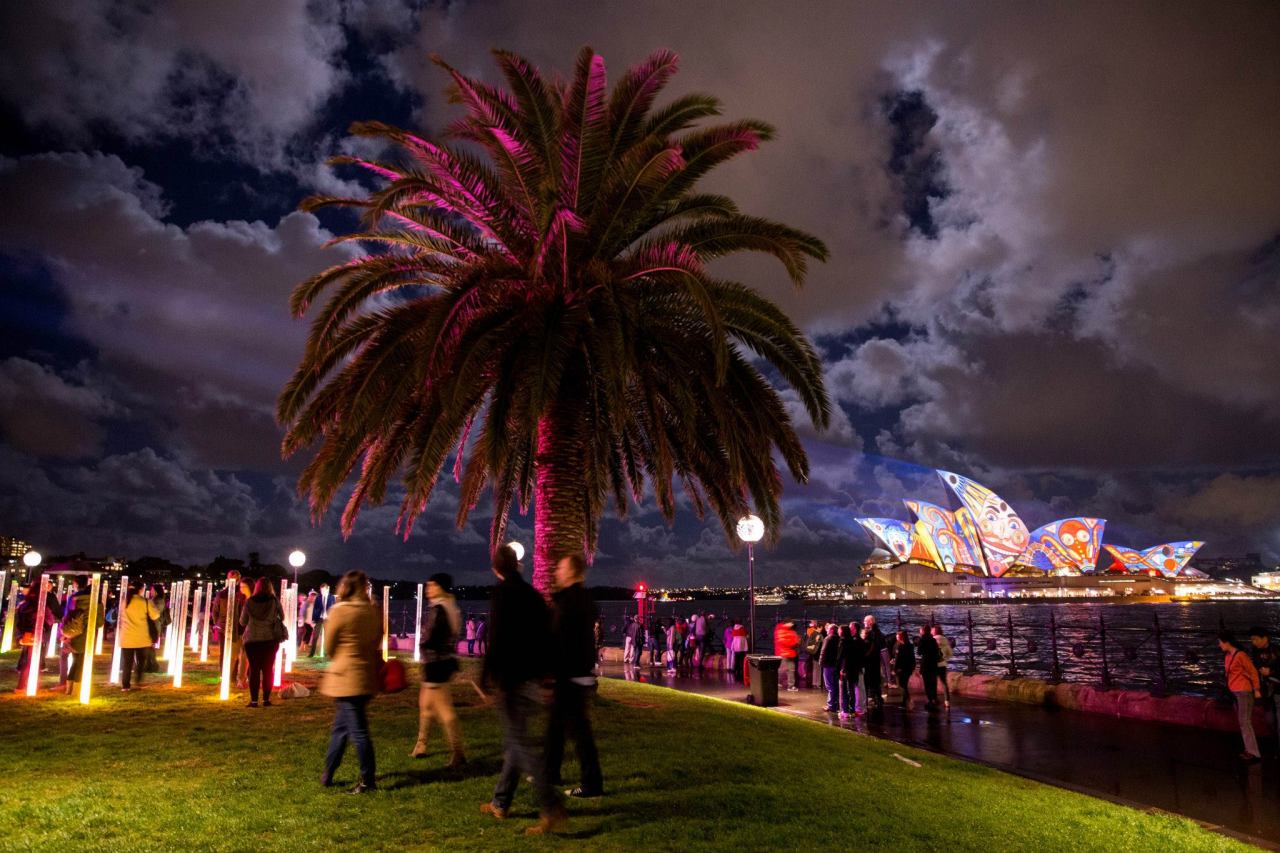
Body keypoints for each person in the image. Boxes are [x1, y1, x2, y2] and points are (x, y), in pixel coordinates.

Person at [480, 545, 566, 835]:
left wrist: (484, 676)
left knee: (519, 744)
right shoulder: (532, 595)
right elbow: (547, 636)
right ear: (516, 565)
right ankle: (500, 802)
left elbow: (497, 637)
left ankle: (551, 805)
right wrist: (548, 676)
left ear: (497, 569)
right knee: (515, 743)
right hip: (532, 678)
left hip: (511, 679)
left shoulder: (502, 594)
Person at [545, 553, 604, 800]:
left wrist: (552, 672)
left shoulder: (570, 603)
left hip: (571, 676)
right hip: (574, 675)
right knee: (557, 728)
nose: (556, 571)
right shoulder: (578, 600)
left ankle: (592, 785)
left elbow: (562, 641)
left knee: (580, 734)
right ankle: (550, 773)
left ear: (571, 572)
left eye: (560, 567)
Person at [320, 570, 382, 792]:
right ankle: (328, 772)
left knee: (358, 731)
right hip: (366, 676)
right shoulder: (373, 610)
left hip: (346, 678)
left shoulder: (340, 611)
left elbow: (329, 646)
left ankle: (368, 780)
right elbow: (377, 639)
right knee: (341, 728)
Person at [412, 573, 465, 766]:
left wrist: (423, 647)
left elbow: (432, 637)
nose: (428, 589)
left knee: (444, 710)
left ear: (440, 587)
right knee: (425, 705)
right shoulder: (452, 607)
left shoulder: (440, 609)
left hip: (437, 664)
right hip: (443, 662)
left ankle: (458, 752)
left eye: (431, 586)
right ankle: (421, 746)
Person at [240, 577, 286, 708]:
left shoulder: (249, 602)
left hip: (252, 640)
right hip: (270, 640)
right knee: (267, 669)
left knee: (254, 670)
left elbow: (242, 622)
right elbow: (282, 617)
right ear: (270, 587)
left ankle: (254, 701)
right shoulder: (274, 601)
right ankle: (266, 700)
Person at [1219, 632, 1262, 762]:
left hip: (1244, 691)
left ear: (1227, 642)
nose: (1219, 645)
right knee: (1243, 722)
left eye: (1220, 642)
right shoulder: (1227, 656)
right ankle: (1249, 750)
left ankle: (1254, 753)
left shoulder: (1241, 655)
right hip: (1235, 692)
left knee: (1245, 722)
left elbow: (1253, 672)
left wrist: (1256, 689)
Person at [118, 581, 162, 691]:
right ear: (141, 590)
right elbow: (155, 615)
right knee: (141, 662)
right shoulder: (145, 602)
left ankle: (125, 685)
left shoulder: (124, 602)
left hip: (126, 637)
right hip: (141, 637)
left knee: (127, 663)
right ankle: (138, 681)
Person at [59, 577, 92, 697]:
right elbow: (98, 621)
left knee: (75, 660)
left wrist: (64, 634)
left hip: (73, 633)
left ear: (77, 584)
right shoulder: (94, 601)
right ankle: (77, 690)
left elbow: (68, 616)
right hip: (87, 634)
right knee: (81, 662)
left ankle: (69, 688)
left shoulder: (73, 598)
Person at [1248, 627, 1279, 754]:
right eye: (1252, 640)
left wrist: (1270, 672)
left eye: (1255, 639)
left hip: (1277, 689)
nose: (1253, 642)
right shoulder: (1255, 652)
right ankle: (1275, 743)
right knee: (1269, 720)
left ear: (1265, 638)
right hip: (1265, 691)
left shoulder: (1277, 650)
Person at [841, 622, 867, 718]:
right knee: (857, 688)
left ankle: (860, 708)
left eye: (851, 627)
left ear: (855, 629)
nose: (849, 629)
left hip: (857, 668)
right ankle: (859, 707)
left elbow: (858, 656)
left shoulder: (856, 641)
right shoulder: (857, 640)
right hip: (858, 667)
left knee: (858, 688)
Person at [862, 615, 885, 708]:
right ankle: (877, 699)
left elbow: (871, 646)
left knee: (870, 681)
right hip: (875, 660)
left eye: (865, 621)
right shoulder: (877, 632)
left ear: (870, 622)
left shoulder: (872, 633)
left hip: (870, 661)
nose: (864, 623)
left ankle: (874, 699)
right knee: (875, 681)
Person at [820, 622, 842, 712]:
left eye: (828, 629)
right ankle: (836, 704)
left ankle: (831, 705)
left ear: (832, 630)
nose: (827, 630)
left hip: (828, 665)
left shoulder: (828, 638)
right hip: (836, 665)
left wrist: (821, 662)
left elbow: (823, 651)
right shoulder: (839, 639)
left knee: (829, 686)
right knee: (836, 685)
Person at [917, 625, 941, 710]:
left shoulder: (922, 640)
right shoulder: (933, 640)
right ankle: (934, 697)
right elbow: (937, 651)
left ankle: (930, 699)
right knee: (933, 682)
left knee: (927, 683)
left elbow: (919, 652)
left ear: (923, 631)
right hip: (933, 664)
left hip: (926, 664)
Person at [773, 620, 800, 691]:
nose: (791, 624)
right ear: (786, 623)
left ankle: (789, 685)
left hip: (788, 653)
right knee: (783, 670)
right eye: (790, 623)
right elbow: (785, 642)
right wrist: (794, 642)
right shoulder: (781, 630)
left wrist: (795, 641)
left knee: (790, 669)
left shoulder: (788, 631)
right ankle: (783, 684)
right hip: (784, 653)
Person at [893, 629, 916, 708]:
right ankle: (904, 702)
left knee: (902, 686)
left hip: (901, 669)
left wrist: (894, 669)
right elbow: (912, 658)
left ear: (901, 637)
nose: (896, 636)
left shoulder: (899, 646)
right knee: (905, 685)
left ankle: (908, 700)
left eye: (897, 635)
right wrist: (913, 667)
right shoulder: (910, 646)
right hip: (908, 668)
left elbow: (898, 659)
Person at [932, 625, 953, 708]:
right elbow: (950, 653)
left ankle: (934, 699)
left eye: (932, 630)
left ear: (935, 632)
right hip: (942, 664)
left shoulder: (932, 640)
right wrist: (945, 659)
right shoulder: (945, 641)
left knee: (933, 683)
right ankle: (947, 701)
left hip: (933, 665)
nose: (931, 631)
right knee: (944, 683)